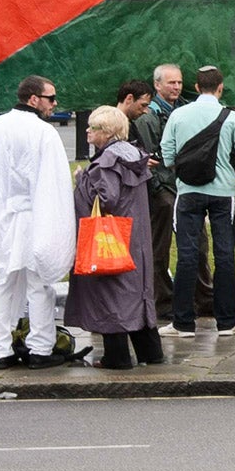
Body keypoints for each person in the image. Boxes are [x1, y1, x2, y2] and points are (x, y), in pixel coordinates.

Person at [0, 75, 77, 369]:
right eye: (51, 98)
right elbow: (54, 184)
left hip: (0, 216)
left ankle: (0, 349)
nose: (55, 104)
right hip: (33, 215)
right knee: (38, 284)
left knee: (2, 283)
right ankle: (40, 348)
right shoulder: (44, 133)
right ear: (34, 99)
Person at [162, 65, 235, 337]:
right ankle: (226, 322)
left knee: (187, 256)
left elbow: (168, 157)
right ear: (220, 88)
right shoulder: (230, 118)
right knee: (225, 255)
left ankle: (183, 323)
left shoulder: (178, 115)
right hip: (223, 193)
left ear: (195, 87)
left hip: (188, 192)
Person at [70, 104, 163, 370]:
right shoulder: (132, 155)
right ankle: (150, 351)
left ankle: (117, 356)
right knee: (136, 293)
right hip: (136, 237)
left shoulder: (107, 162)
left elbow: (106, 198)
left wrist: (82, 181)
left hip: (110, 239)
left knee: (110, 293)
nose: (87, 131)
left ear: (107, 132)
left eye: (93, 127)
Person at [130, 62, 189, 322]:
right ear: (157, 85)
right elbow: (148, 157)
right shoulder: (147, 116)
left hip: (186, 186)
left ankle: (200, 297)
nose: (176, 87)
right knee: (158, 247)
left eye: (179, 82)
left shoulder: (186, 109)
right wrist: (158, 188)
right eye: (170, 82)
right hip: (163, 189)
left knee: (195, 244)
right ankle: (162, 301)